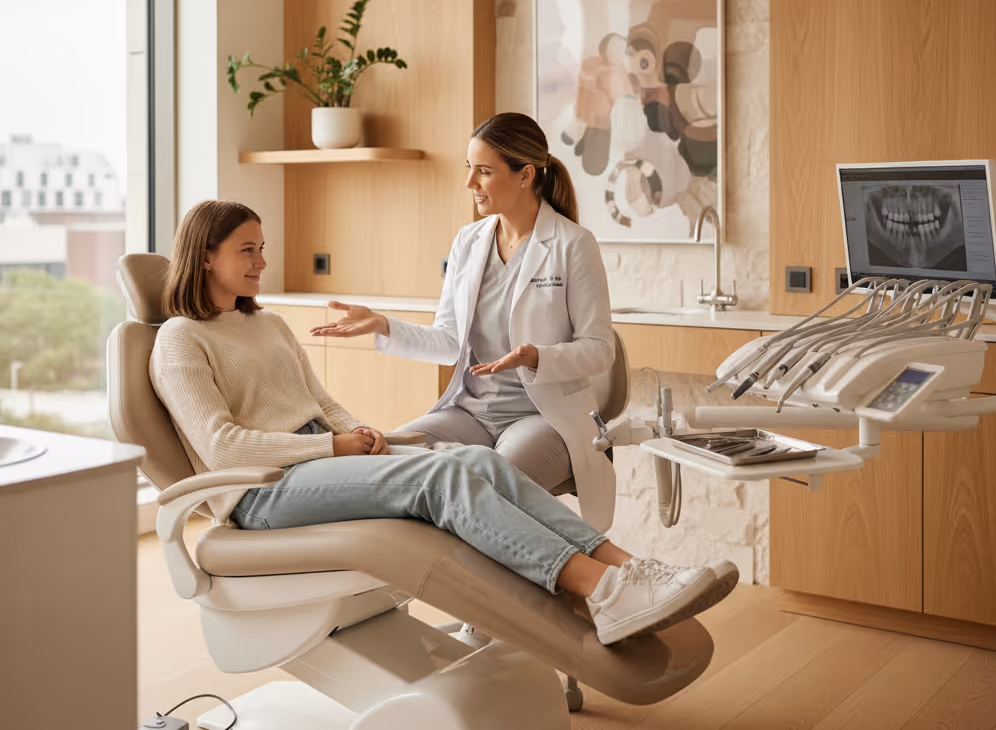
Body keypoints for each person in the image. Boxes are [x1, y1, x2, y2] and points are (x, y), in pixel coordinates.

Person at [149, 199, 737, 646]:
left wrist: (362, 433)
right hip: (264, 490)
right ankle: (601, 593)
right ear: (206, 256)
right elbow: (224, 448)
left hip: (319, 458)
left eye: (261, 247)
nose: (262, 261)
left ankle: (637, 572)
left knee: (477, 461)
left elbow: (321, 401)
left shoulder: (267, 325)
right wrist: (334, 447)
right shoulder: (180, 339)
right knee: (437, 481)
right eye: (247, 250)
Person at [310, 112, 619, 531]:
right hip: (470, 413)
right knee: (380, 460)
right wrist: (383, 324)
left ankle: (559, 579)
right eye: (469, 168)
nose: (470, 182)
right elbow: (447, 341)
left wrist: (536, 357)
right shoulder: (468, 241)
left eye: (484, 171)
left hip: (542, 417)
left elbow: (600, 351)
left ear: (525, 174)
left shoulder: (572, 244)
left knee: (481, 488)